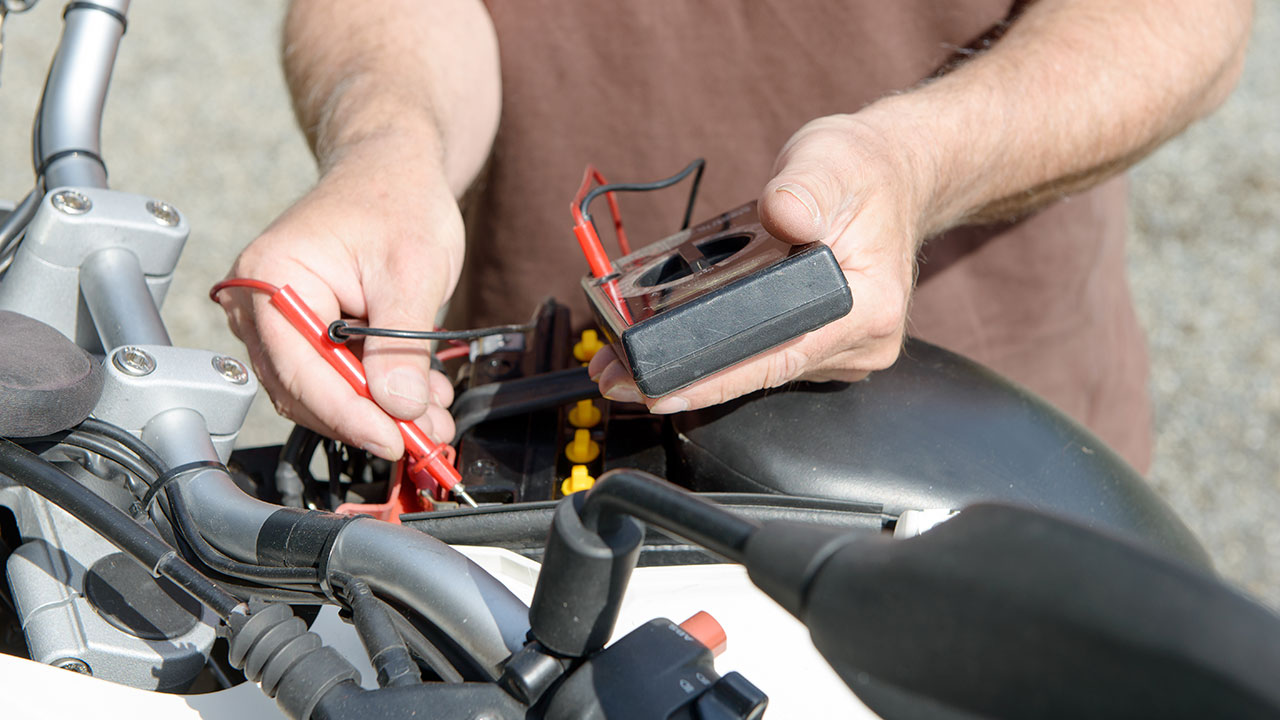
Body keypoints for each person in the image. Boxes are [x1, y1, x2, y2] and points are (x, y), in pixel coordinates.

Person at [218, 0, 1251, 474]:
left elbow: (1179, 21)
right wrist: (389, 147)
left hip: (963, 454)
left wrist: (920, 161)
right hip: (529, 447)